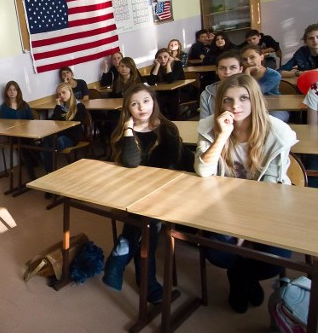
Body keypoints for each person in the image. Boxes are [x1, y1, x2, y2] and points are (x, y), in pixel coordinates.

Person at [194, 74, 297, 314]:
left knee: (276, 258)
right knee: (217, 253)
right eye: (228, 100)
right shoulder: (209, 126)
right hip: (223, 206)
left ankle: (240, 279)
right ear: (220, 103)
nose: (235, 106)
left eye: (243, 98)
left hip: (268, 207)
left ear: (255, 101)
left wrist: (244, 228)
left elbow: (272, 188)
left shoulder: (277, 132)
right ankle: (241, 277)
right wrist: (221, 135)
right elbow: (203, 171)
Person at [103, 84, 194, 305]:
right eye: (134, 104)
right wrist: (128, 129)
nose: (141, 107)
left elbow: (169, 166)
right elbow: (132, 162)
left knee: (145, 224)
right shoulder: (124, 132)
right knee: (146, 228)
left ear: (154, 103)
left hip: (171, 187)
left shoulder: (167, 128)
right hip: (138, 194)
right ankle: (148, 284)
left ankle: (120, 257)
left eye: (145, 101)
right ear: (128, 110)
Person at [41, 82, 87, 174]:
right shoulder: (61, 107)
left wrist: (63, 122)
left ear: (70, 91)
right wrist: (58, 106)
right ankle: (50, 172)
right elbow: (54, 121)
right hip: (60, 135)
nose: (61, 96)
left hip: (72, 137)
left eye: (63, 92)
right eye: (59, 94)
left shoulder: (80, 106)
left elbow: (75, 123)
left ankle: (50, 171)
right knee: (47, 140)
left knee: (53, 143)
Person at [0, 81, 38, 180]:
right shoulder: (4, 108)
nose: (12, 92)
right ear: (6, 92)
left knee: (27, 147)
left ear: (18, 91)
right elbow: (4, 125)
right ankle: (32, 175)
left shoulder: (24, 104)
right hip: (14, 136)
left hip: (27, 134)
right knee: (25, 148)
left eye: (14, 89)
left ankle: (35, 164)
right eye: (9, 90)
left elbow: (31, 120)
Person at [240, 46, 289, 122]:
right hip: (250, 107)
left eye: (252, 57)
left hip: (273, 108)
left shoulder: (274, 75)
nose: (248, 62)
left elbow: (254, 92)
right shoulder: (240, 75)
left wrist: (247, 73)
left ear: (262, 57)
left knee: (268, 122)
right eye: (244, 59)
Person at [199, 50, 243, 119]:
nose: (227, 72)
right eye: (222, 68)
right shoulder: (206, 95)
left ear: (240, 69)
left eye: (233, 68)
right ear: (216, 71)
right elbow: (204, 124)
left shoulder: (249, 91)